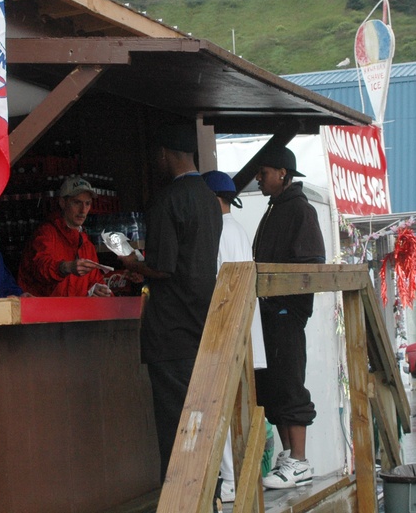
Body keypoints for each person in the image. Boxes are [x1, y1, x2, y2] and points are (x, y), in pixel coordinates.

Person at [118, 120, 222, 482]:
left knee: (175, 430)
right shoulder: (210, 199)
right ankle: (205, 497)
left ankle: (182, 501)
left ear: (164, 154)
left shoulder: (168, 200)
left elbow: (162, 267)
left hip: (170, 331)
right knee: (199, 424)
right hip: (202, 324)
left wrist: (132, 262)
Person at [252, 145, 324, 490]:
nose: (258, 178)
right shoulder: (276, 208)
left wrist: (283, 299)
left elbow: (312, 263)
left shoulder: (299, 209)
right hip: (268, 311)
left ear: (283, 173)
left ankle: (299, 460)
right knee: (273, 386)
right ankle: (288, 457)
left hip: (286, 312)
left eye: (263, 172)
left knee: (290, 383)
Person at [202, 170, 266, 504]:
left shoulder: (216, 232)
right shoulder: (237, 229)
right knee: (239, 407)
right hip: (245, 329)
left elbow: (218, 284)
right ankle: (241, 475)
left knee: (223, 410)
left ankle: (230, 479)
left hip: (227, 328)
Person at [17, 175, 113, 297]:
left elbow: (95, 280)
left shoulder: (86, 244)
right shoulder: (46, 233)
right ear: (62, 202)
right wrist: (64, 267)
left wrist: (96, 289)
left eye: (87, 203)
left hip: (75, 314)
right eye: (77, 202)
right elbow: (40, 269)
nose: (83, 210)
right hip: (45, 313)